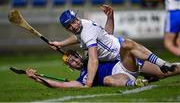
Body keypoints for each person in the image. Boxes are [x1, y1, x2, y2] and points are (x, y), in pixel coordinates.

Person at [50, 5, 177, 87]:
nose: (73, 26)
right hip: (119, 60)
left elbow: (93, 59)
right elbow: (106, 34)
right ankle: (152, 73)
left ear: (76, 17)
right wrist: (60, 43)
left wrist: (88, 84)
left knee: (161, 71)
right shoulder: (82, 25)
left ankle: (162, 63)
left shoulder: (86, 31)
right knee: (162, 74)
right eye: (69, 26)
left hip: (124, 56)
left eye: (73, 22)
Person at [25, 51, 180, 89]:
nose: (75, 61)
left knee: (167, 70)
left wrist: (110, 17)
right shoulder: (83, 79)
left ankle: (151, 76)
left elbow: (106, 34)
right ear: (70, 67)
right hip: (121, 77)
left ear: (80, 55)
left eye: (75, 57)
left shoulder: (93, 54)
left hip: (127, 65)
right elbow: (61, 85)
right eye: (71, 61)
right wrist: (36, 78)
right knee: (107, 80)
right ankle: (139, 82)